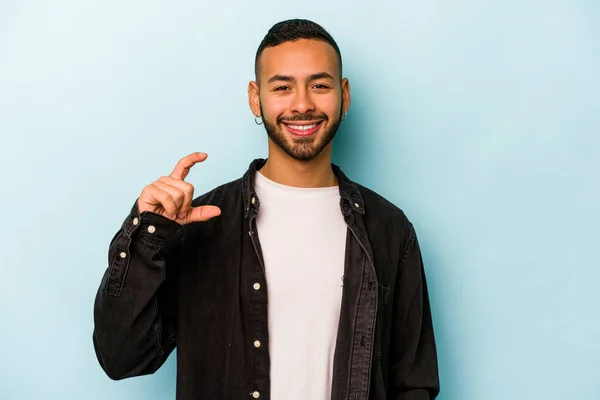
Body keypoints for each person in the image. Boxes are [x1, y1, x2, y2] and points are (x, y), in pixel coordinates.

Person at [93, 18, 440, 400]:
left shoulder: (389, 230)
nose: (303, 104)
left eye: (320, 85)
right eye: (283, 87)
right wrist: (147, 235)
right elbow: (121, 357)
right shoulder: (200, 224)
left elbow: (414, 383)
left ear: (344, 95)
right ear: (256, 98)